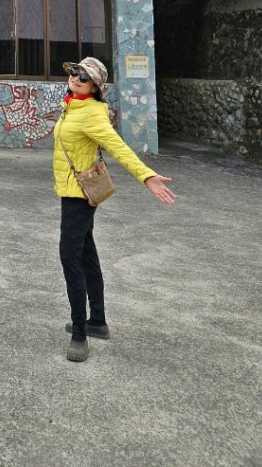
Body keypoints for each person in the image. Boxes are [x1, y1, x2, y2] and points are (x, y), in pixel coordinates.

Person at [53, 56, 176, 363]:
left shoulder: (92, 113)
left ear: (96, 87)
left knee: (70, 256)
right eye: (75, 72)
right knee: (86, 253)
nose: (77, 77)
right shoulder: (73, 105)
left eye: (85, 77)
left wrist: (146, 175)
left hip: (79, 194)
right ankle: (98, 321)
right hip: (74, 189)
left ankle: (80, 334)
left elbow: (118, 147)